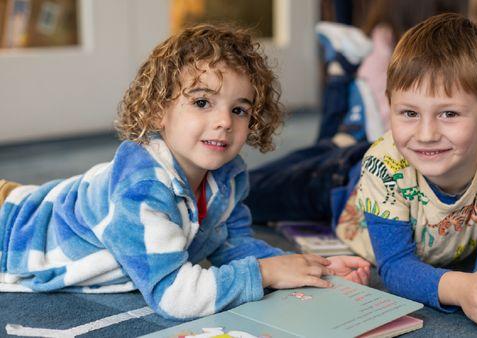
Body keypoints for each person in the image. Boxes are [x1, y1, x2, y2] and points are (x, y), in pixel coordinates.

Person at [0, 24, 370, 320]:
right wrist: (267, 274)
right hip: (12, 228)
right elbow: (175, 296)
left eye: (239, 109)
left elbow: (232, 244)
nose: (224, 121)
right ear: (158, 110)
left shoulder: (229, 174)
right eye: (202, 102)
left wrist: (310, 267)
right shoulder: (142, 186)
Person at [251, 13, 477, 331]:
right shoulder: (383, 164)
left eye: (449, 113)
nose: (427, 133)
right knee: (244, 193)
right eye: (409, 113)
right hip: (335, 181)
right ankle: (343, 80)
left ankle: (347, 99)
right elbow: (396, 265)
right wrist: (462, 289)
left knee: (329, 143)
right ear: (391, 106)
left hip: (374, 156)